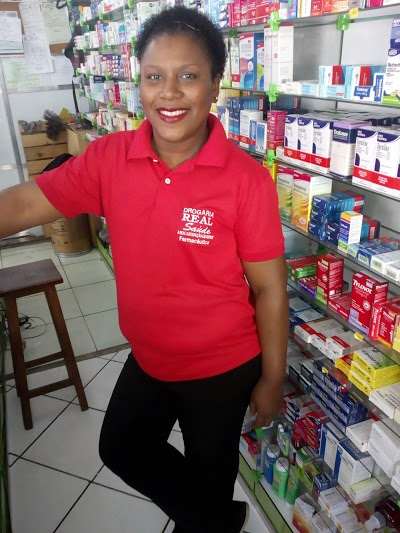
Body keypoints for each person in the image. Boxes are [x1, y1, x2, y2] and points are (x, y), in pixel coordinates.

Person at [0, 6, 288, 533]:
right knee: (123, 448)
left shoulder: (246, 180)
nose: (169, 93)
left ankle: (209, 518)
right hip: (151, 356)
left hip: (222, 369)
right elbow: (22, 205)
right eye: (154, 76)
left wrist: (271, 377)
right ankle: (215, 519)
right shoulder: (109, 159)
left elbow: (270, 288)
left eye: (188, 76)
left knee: (209, 475)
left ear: (215, 85)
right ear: (139, 83)